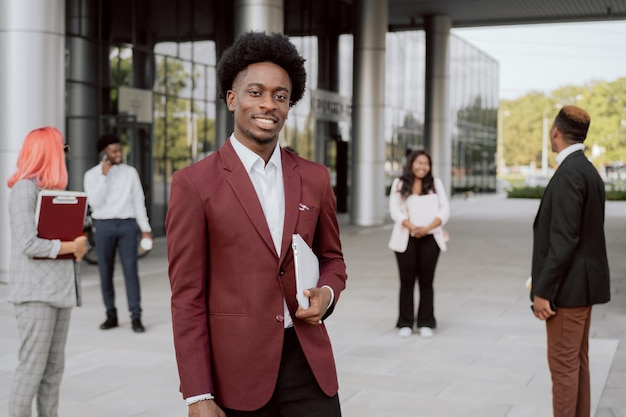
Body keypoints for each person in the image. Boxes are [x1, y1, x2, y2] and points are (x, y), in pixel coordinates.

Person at [165, 31, 348, 417]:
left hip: (308, 367)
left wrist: (327, 294)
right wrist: (197, 394)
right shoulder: (194, 184)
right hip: (235, 375)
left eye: (280, 96)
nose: (269, 104)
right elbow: (187, 298)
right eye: (256, 92)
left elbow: (332, 258)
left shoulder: (314, 178)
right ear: (232, 99)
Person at [530, 105, 610, 417]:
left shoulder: (568, 174)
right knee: (577, 363)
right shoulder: (588, 170)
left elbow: (564, 241)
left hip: (566, 291)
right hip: (583, 287)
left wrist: (543, 290)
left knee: (563, 370)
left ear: (555, 132)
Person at [6, 126, 88, 417]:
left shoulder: (51, 193)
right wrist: (69, 247)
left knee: (53, 372)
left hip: (60, 291)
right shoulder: (23, 190)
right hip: (36, 295)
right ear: (47, 152)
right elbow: (28, 243)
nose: (64, 153)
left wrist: (77, 247)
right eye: (60, 148)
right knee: (31, 371)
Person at [83, 133, 152, 333]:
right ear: (104, 154)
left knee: (131, 273)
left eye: (119, 150)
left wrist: (145, 230)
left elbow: (139, 202)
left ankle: (136, 316)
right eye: (114, 151)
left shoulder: (130, 173)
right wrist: (104, 177)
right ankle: (111, 315)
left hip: (127, 226)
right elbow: (94, 203)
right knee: (106, 273)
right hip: (103, 226)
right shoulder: (91, 175)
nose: (118, 154)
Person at [388, 149, 450, 338]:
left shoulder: (435, 184)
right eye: (419, 162)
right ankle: (405, 322)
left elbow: (445, 209)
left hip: (430, 237)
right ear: (411, 163)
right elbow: (394, 210)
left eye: (426, 163)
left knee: (426, 280)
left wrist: (427, 227)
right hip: (406, 238)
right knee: (406, 281)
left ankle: (426, 322)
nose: (422, 167)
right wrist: (411, 226)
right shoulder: (399, 183)